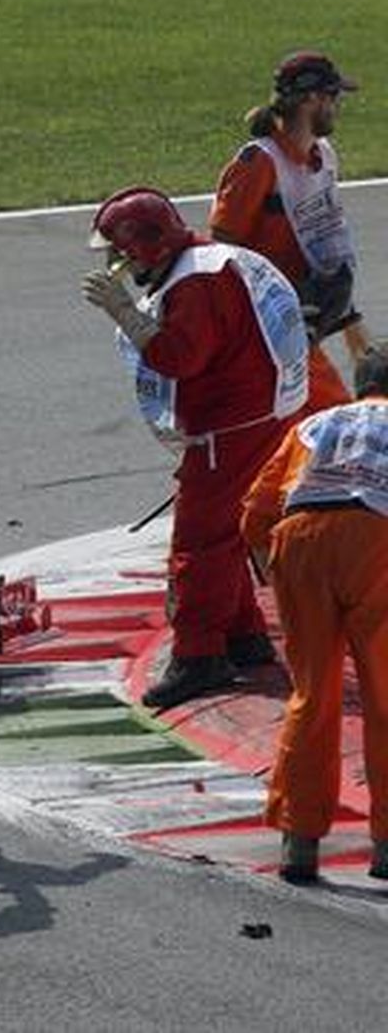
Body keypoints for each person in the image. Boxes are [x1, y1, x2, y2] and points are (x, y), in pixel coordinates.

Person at [83, 186, 308, 710]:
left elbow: (180, 357)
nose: (117, 264)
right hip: (265, 410)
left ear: (148, 247)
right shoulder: (210, 260)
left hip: (231, 425)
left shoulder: (194, 286)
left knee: (199, 541)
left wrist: (126, 315)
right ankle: (242, 634)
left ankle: (199, 655)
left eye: (120, 252)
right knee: (230, 531)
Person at [240, 349, 388, 884]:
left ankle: (299, 842)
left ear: (358, 386)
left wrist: (270, 568)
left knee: (311, 694)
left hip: (299, 539)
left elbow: (256, 511)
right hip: (377, 538)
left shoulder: (314, 425)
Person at [210, 51, 375, 414]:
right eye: (335, 97)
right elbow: (219, 256)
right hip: (268, 334)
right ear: (312, 99)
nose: (338, 106)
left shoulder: (323, 156)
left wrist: (355, 333)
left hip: (305, 324)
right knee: (329, 429)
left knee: (332, 425)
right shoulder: (257, 165)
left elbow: (326, 247)